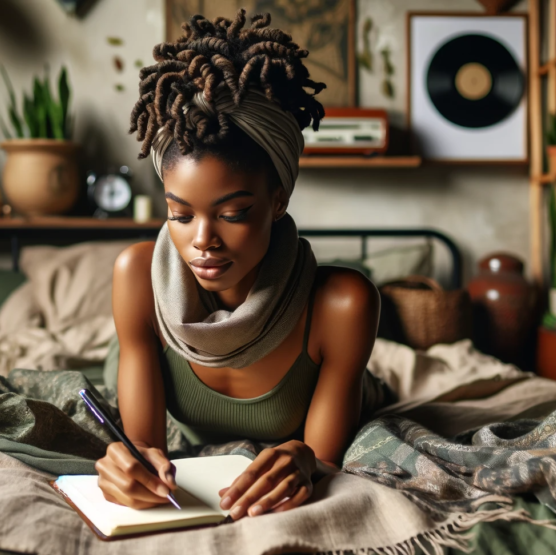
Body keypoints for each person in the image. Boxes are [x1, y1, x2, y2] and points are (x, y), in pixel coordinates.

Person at [95, 9, 383, 522]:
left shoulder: (341, 305)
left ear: (278, 201)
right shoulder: (138, 276)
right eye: (179, 214)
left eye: (232, 213)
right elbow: (142, 449)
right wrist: (131, 467)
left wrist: (307, 460)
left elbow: (324, 460)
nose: (202, 241)